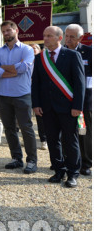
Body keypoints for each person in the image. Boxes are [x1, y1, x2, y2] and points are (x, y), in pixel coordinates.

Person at [32, 26, 85, 188]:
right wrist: (36, 104)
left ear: (59, 38)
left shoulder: (72, 55)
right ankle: (58, 170)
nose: (45, 38)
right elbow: (36, 83)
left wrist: (77, 106)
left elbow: (79, 83)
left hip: (68, 107)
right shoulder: (40, 58)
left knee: (70, 141)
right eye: (44, 35)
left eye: (49, 36)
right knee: (53, 141)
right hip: (47, 108)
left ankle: (73, 173)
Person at [0, 21, 37, 174]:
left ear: (16, 30)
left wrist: (4, 68)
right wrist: (14, 69)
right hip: (3, 95)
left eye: (8, 30)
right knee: (10, 129)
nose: (6, 33)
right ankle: (16, 158)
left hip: (22, 94)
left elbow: (24, 68)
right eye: (3, 31)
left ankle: (31, 160)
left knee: (26, 128)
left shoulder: (27, 50)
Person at [64, 24, 92, 176]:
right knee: (65, 132)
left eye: (72, 37)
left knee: (83, 132)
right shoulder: (60, 52)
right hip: (63, 101)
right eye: (66, 35)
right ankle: (67, 160)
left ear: (80, 38)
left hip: (82, 102)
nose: (68, 39)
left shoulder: (88, 52)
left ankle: (85, 163)